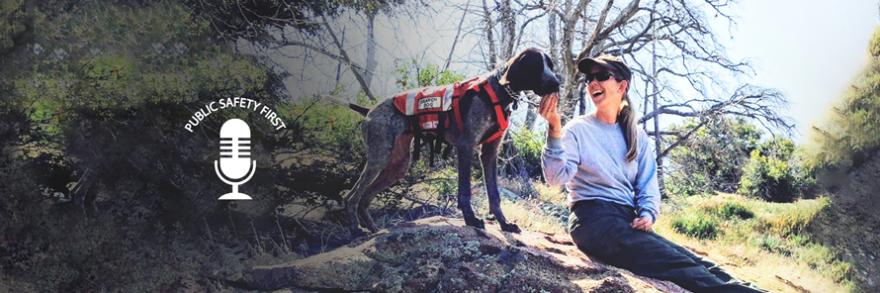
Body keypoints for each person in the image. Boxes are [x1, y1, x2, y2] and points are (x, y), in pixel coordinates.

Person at [538, 54, 765, 293]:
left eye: (602, 76)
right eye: (589, 78)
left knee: (701, 264)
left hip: (626, 221)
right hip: (593, 222)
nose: (593, 82)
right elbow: (555, 178)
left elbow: (647, 186)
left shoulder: (637, 136)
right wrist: (554, 129)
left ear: (622, 86)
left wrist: (647, 214)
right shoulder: (577, 130)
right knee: (686, 269)